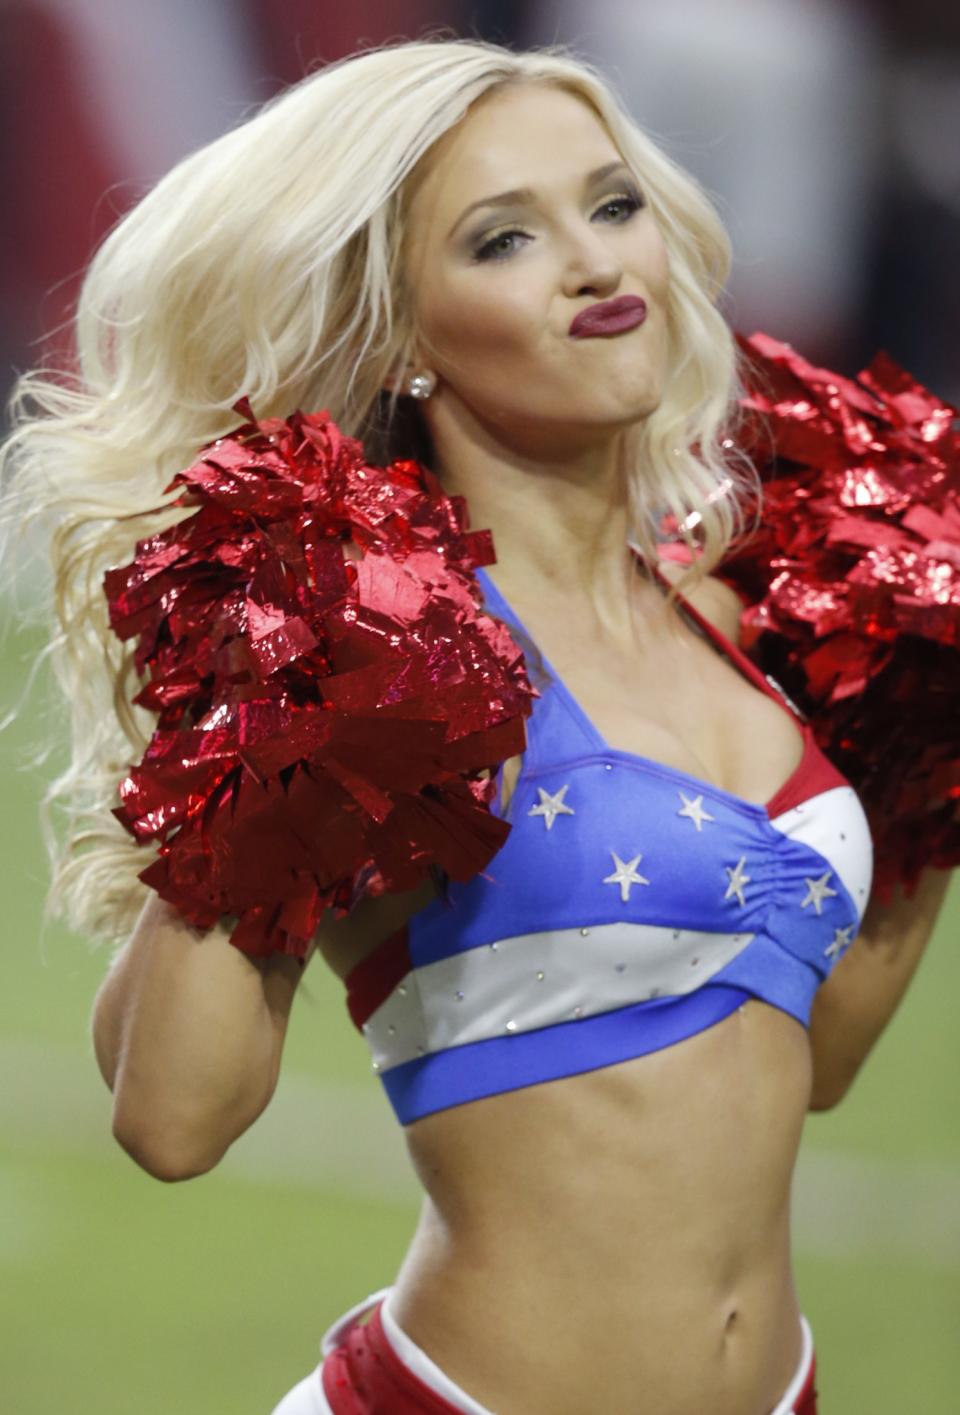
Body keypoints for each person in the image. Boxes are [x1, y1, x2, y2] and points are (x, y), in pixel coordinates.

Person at [2, 37, 952, 1415]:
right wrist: (270, 731)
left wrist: (932, 747)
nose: (594, 263)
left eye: (612, 204)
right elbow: (172, 1119)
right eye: (505, 239)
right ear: (400, 334)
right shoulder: (388, 653)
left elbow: (820, 1064)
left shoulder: (744, 616)